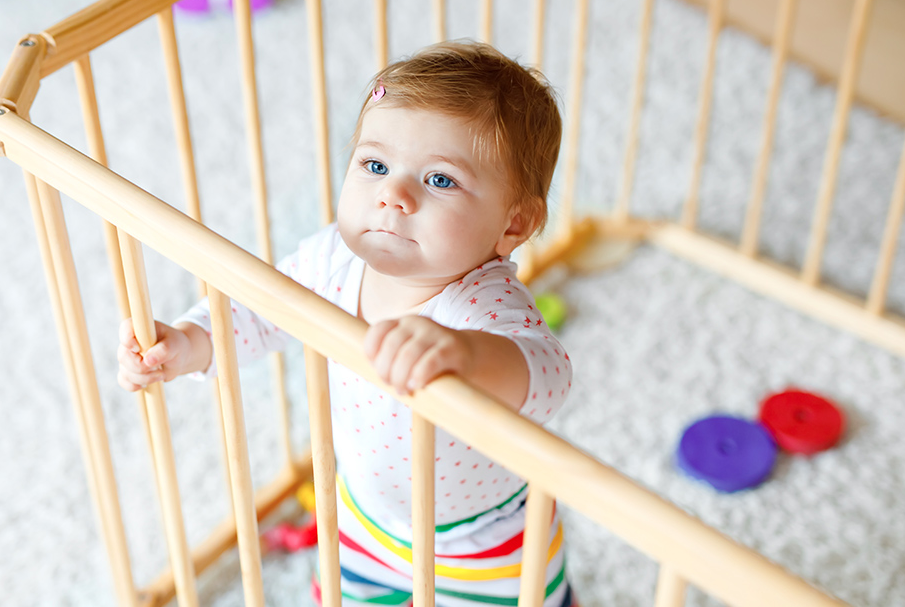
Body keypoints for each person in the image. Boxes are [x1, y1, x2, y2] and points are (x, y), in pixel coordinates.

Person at [117, 40, 575, 607]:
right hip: (362, 516)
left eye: (439, 180)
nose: (393, 194)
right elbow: (260, 307)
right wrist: (189, 340)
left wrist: (468, 355)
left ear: (514, 223)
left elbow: (549, 374)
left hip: (486, 544)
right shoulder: (332, 258)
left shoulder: (480, 304)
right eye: (375, 166)